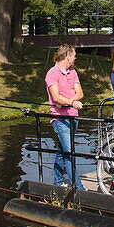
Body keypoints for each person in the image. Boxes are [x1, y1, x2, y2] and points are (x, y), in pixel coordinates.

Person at [45, 44, 84, 189]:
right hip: (60, 118)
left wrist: (70, 102)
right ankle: (78, 188)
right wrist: (72, 101)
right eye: (74, 55)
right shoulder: (52, 73)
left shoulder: (73, 72)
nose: (75, 58)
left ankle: (58, 182)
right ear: (67, 56)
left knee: (63, 151)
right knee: (69, 152)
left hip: (73, 116)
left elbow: (80, 93)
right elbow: (56, 97)